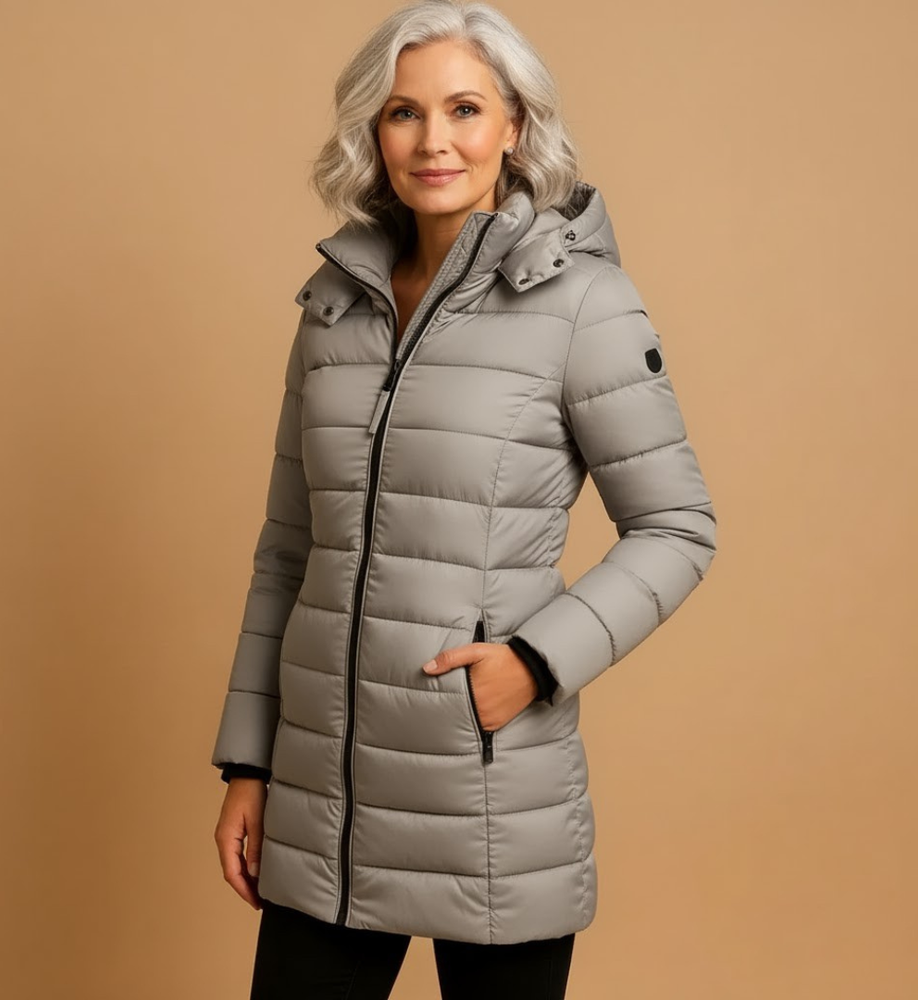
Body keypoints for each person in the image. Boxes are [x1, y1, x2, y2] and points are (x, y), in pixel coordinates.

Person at [211, 1, 718, 997]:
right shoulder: (334, 308)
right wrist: (248, 767)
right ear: (374, 131)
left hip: (489, 802)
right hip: (323, 806)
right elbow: (288, 553)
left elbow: (677, 525)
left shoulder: (583, 304)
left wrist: (535, 661)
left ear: (515, 124)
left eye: (465, 109)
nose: (433, 140)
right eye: (404, 112)